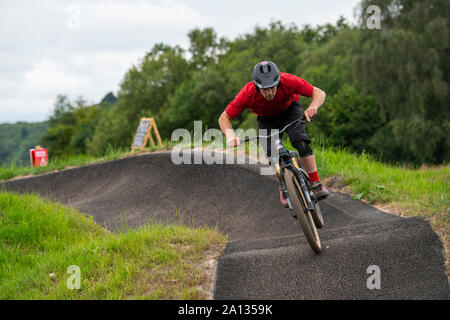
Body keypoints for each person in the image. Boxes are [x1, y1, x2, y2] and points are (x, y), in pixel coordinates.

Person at [218, 60, 329, 207]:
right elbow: (224, 117)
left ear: (278, 82)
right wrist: (230, 136)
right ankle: (284, 184)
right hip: (266, 119)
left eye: (273, 87)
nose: (270, 92)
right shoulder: (248, 93)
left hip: (290, 111)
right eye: (265, 89)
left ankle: (315, 183)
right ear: (257, 87)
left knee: (300, 141)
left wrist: (312, 107)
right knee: (272, 153)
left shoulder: (288, 81)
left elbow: (319, 92)